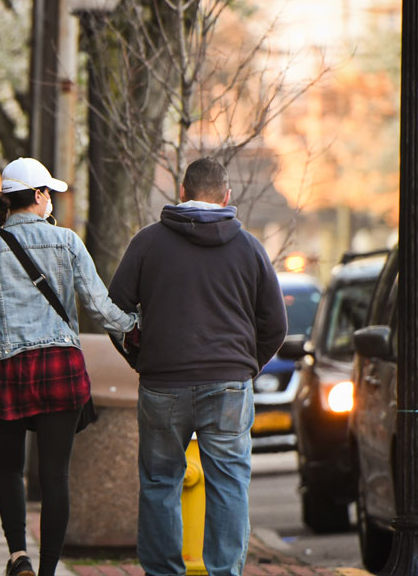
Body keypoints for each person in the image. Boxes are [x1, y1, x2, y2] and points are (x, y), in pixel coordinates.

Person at [108, 157, 287, 576]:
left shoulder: (148, 242)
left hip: (162, 384)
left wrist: (140, 357)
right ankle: (225, 572)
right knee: (229, 485)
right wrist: (246, 368)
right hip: (229, 384)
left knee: (159, 483)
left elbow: (113, 309)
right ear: (227, 197)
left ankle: (163, 572)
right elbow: (275, 325)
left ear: (182, 193)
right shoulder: (249, 248)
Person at [0, 158, 139, 576]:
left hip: (6, 366)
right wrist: (135, 328)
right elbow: (100, 306)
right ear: (40, 195)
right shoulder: (68, 242)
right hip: (59, 364)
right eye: (50, 194)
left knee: (8, 468)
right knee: (55, 475)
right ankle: (46, 571)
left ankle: (17, 557)